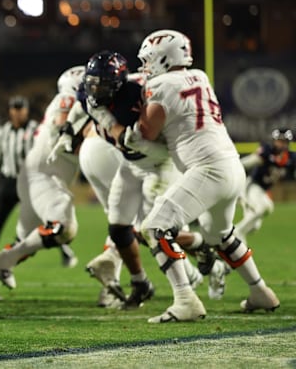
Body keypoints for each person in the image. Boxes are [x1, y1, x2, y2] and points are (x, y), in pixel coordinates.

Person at [99, 29, 279, 322]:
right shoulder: (200, 77)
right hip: (231, 167)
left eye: (149, 60)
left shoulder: (161, 85)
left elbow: (147, 132)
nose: (145, 67)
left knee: (155, 228)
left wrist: (118, 129)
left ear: (164, 59)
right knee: (220, 234)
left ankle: (186, 299)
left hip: (206, 168)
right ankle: (260, 291)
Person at [0, 66, 83, 300]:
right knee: (59, 226)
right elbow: (64, 127)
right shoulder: (68, 101)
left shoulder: (36, 124)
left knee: (28, 239)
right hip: (34, 179)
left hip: (32, 177)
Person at [0, 95, 39, 268]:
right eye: (15, 108)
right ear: (10, 110)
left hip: (29, 181)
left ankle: (65, 251)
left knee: (43, 218)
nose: (18, 112)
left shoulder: (35, 130)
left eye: (21, 109)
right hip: (8, 181)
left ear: (26, 110)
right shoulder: (2, 131)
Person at [234, 127, 295, 244]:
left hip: (262, 190)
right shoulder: (267, 152)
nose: (280, 144)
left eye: (283, 141)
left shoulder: (291, 158)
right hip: (251, 186)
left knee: (254, 226)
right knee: (264, 207)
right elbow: (246, 163)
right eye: (278, 141)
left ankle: (233, 242)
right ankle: (237, 232)